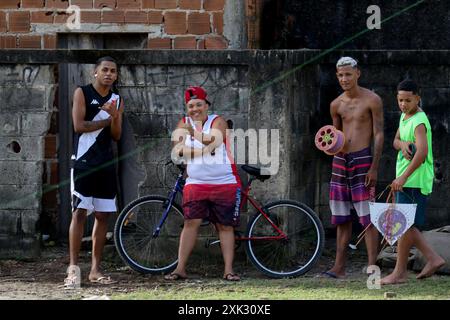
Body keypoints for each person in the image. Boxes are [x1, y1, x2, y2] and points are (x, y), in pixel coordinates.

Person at [165, 86, 242, 281]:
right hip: (196, 182)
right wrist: (202, 150)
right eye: (191, 106)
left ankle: (228, 270)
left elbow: (215, 141)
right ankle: (180, 269)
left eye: (199, 104)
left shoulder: (218, 121)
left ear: (207, 105)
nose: (195, 109)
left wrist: (194, 135)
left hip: (224, 181)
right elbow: (178, 150)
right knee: (190, 223)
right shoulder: (184, 122)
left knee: (224, 226)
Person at [64, 56, 124, 288]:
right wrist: (107, 120)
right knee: (79, 213)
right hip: (83, 162)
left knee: (103, 215)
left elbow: (117, 135)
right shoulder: (83, 92)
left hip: (106, 163)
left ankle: (95, 269)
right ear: (95, 73)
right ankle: (73, 270)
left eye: (113, 71)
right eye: (105, 70)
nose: (109, 74)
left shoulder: (117, 99)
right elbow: (79, 125)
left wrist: (115, 116)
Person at [324, 57, 384, 278]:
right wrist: (328, 146)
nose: (344, 79)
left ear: (358, 73)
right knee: (341, 218)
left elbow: (379, 133)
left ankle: (372, 268)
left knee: (368, 217)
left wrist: (374, 167)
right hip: (340, 162)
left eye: (348, 74)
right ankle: (339, 267)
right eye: (340, 75)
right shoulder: (336, 104)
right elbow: (334, 136)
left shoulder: (372, 100)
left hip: (363, 161)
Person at [381, 79, 445, 285]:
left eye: (408, 100)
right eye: (400, 100)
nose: (403, 104)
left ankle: (426, 261)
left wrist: (403, 177)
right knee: (405, 225)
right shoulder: (404, 116)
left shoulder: (419, 120)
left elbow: (423, 152)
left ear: (418, 97)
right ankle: (407, 269)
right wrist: (403, 144)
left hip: (414, 179)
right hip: (407, 178)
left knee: (405, 224)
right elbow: (395, 141)